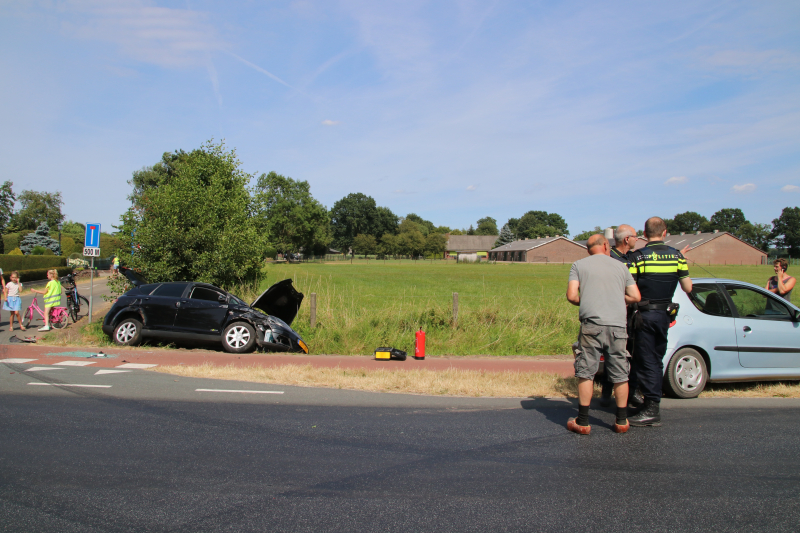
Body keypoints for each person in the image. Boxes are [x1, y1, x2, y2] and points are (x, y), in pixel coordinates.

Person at [566, 234, 641, 435]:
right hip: (618, 325)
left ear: (588, 249)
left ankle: (582, 421)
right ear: (606, 245)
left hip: (592, 324)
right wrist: (616, 297)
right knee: (620, 373)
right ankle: (622, 420)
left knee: (586, 371)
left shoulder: (579, 265)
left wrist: (590, 298)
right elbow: (635, 296)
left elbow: (572, 296)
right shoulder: (620, 266)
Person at [627, 217, 692, 427]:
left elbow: (630, 287)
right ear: (665, 233)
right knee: (656, 357)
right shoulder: (677, 256)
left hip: (645, 314)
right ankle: (649, 402)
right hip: (664, 314)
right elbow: (688, 288)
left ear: (644, 235)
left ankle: (652, 407)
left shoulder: (638, 257)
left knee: (646, 360)